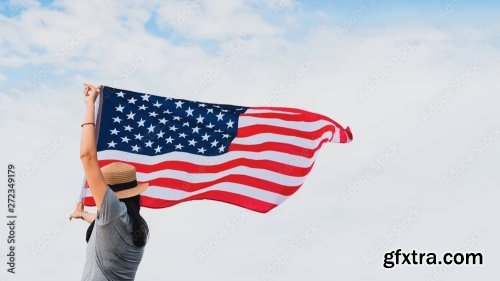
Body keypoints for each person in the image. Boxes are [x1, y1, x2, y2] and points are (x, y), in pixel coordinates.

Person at [70, 83, 150, 281]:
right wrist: (82, 215)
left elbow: (87, 156)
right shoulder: (138, 226)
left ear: (111, 195)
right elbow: (100, 222)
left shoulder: (113, 212)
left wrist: (90, 105)